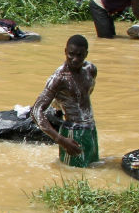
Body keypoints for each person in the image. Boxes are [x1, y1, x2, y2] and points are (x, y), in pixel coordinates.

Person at [32, 34, 98, 168]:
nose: (75, 59)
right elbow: (36, 111)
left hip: (90, 129)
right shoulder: (59, 78)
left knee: (94, 169)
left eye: (80, 55)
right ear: (65, 52)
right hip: (73, 132)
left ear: (86, 54)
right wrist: (60, 140)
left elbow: (85, 95)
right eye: (71, 54)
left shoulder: (90, 69)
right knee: (73, 174)